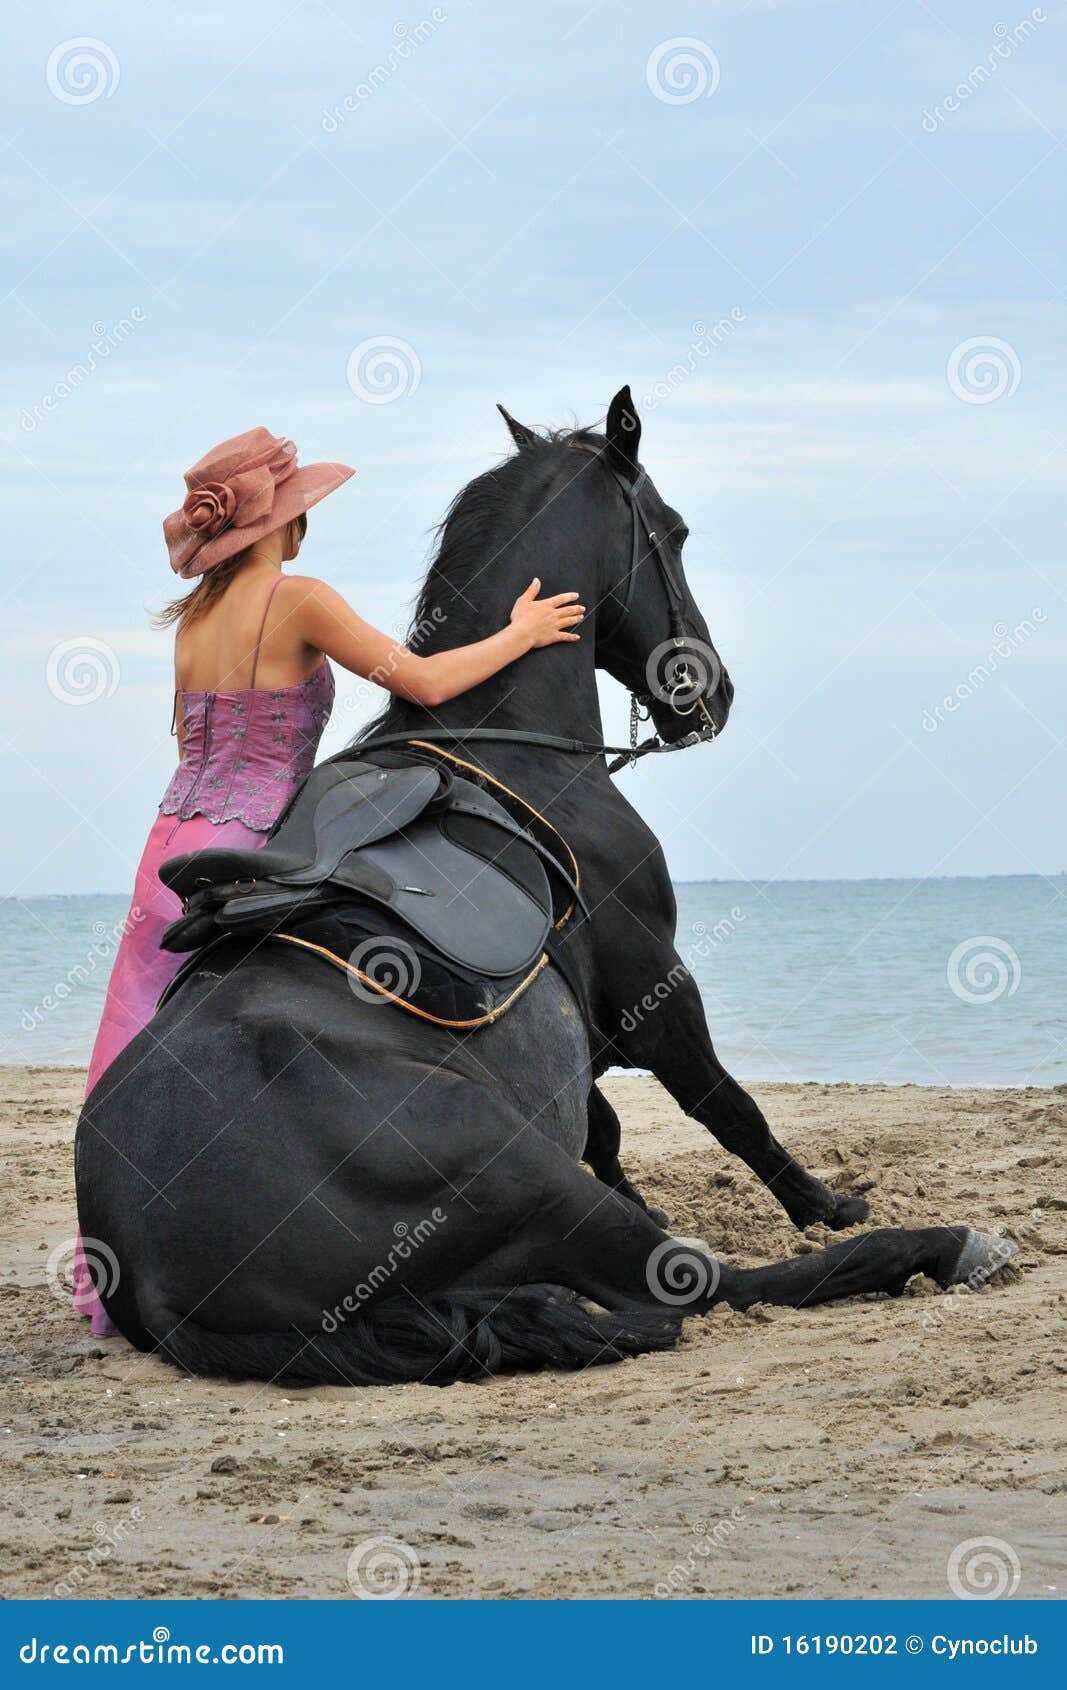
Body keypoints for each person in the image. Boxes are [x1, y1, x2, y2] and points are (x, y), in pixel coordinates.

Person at [73, 425, 584, 1335]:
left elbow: (193, 743)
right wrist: (521, 633)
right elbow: (422, 683)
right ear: (282, 525)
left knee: (134, 1046)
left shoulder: (191, 620)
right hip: (257, 843)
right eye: (300, 508)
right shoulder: (297, 598)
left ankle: (110, 1275)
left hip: (168, 845)